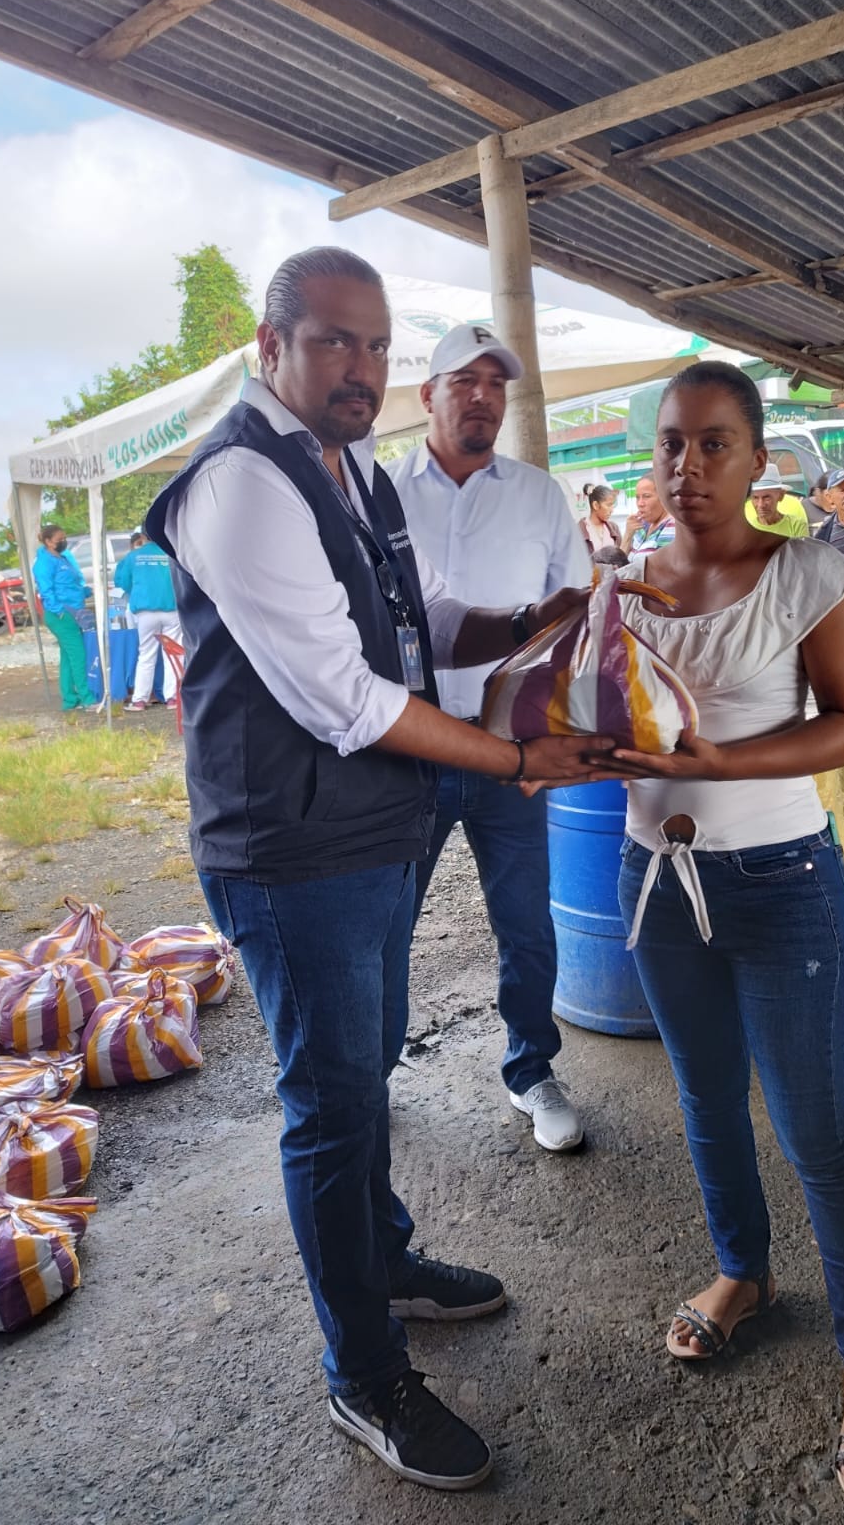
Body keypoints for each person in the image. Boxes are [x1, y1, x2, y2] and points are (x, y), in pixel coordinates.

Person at [144, 248, 615, 1492]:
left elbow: (426, 616)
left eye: (375, 344)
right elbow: (344, 695)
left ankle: (386, 1262)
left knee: (361, 1074)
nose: (360, 367)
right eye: (333, 341)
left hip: (367, 832)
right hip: (292, 852)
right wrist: (515, 757)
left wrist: (540, 622)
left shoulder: (348, 469)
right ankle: (362, 1372)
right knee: (332, 1105)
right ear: (271, 347)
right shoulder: (244, 482)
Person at [596, 360, 844, 1508]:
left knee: (817, 1127)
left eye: (715, 442)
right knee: (706, 1097)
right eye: (672, 443)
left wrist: (719, 761)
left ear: (760, 458)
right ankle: (743, 1271)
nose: (689, 465)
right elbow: (600, 720)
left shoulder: (808, 574)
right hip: (653, 880)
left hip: (781, 886)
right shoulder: (622, 586)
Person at [387, 325, 589, 1152]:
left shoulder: (539, 494)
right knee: (386, 923)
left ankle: (531, 1069)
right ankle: (369, 1073)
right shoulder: (380, 492)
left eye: (495, 384)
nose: (481, 397)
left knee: (527, 923)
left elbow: (572, 620)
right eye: (463, 381)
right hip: (408, 749)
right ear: (427, 395)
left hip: (512, 748)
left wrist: (555, 733)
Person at [114, 530, 181, 712]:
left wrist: (139, 591)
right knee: (173, 654)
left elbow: (123, 582)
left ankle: (140, 700)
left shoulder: (133, 556)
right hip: (171, 609)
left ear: (143, 536)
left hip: (145, 611)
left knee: (146, 654)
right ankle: (173, 698)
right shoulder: (172, 552)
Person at [33, 524, 96, 712]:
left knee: (68, 658)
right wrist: (59, 611)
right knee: (78, 656)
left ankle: (70, 699)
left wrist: (86, 591)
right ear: (48, 541)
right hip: (62, 615)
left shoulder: (62, 558)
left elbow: (70, 585)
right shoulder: (44, 563)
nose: (63, 541)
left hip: (72, 610)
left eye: (64, 538)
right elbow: (46, 591)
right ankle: (86, 698)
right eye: (59, 539)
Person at [621, 471, 675, 554]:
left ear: (663, 497)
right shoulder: (641, 526)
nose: (640, 503)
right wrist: (628, 534)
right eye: (637, 497)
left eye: (646, 496)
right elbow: (619, 559)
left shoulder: (671, 527)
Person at [747, 463, 808, 538]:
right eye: (755, 498)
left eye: (766, 497)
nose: (761, 505)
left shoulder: (796, 525)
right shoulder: (748, 528)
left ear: (781, 495)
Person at [579, 482, 620, 555]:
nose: (612, 510)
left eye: (612, 505)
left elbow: (622, 556)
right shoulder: (579, 530)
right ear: (596, 505)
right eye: (609, 505)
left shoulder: (614, 528)